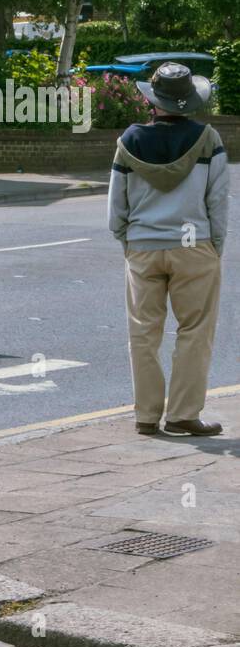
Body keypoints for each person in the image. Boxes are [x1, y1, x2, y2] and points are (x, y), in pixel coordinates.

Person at [108, 61, 229, 437]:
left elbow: (116, 209)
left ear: (153, 101)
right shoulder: (208, 139)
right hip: (195, 246)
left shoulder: (129, 141)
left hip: (143, 248)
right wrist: (214, 247)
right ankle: (182, 415)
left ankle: (146, 416)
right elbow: (218, 202)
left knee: (143, 333)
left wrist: (129, 241)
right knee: (195, 331)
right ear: (188, 101)